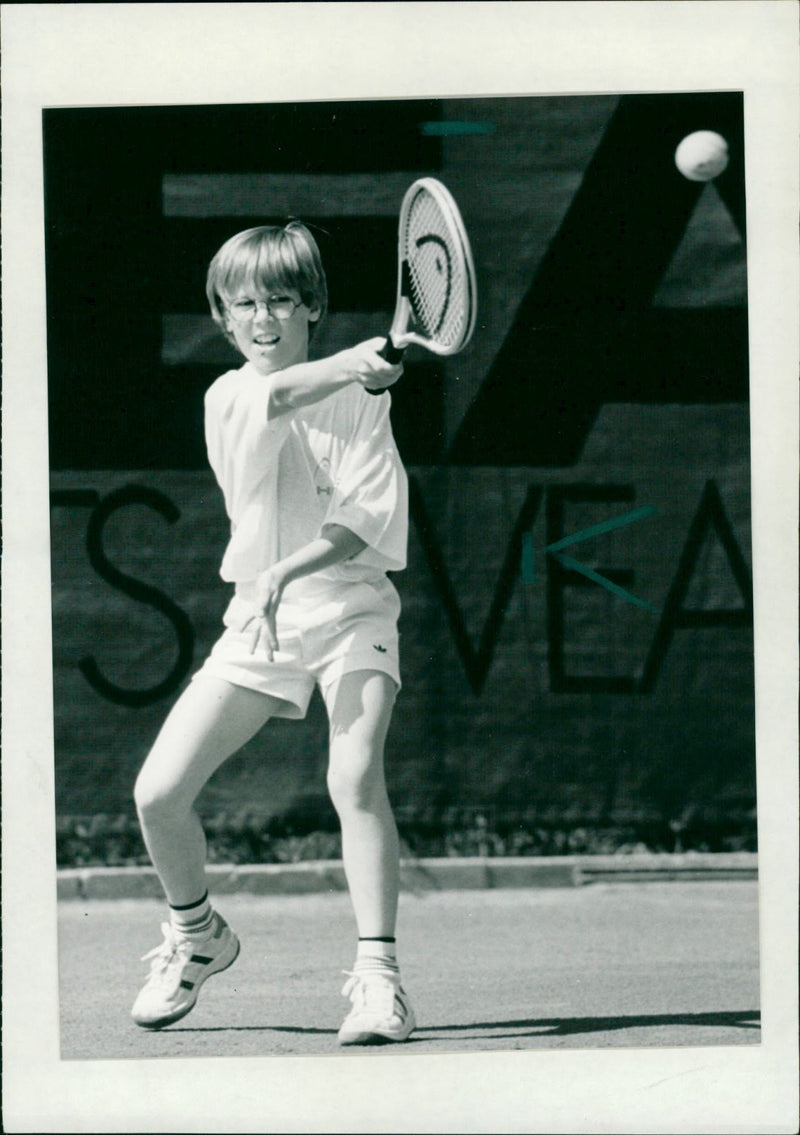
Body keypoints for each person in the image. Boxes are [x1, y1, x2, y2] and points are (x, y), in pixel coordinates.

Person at [130, 221, 414, 1046]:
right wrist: (352, 361)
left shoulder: (366, 402)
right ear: (221, 316)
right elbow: (280, 394)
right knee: (158, 793)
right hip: (259, 626)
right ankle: (196, 936)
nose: (263, 317)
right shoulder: (229, 395)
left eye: (282, 299)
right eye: (244, 302)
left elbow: (365, 522)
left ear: (311, 306)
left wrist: (293, 569)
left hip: (353, 613)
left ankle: (379, 982)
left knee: (355, 777)